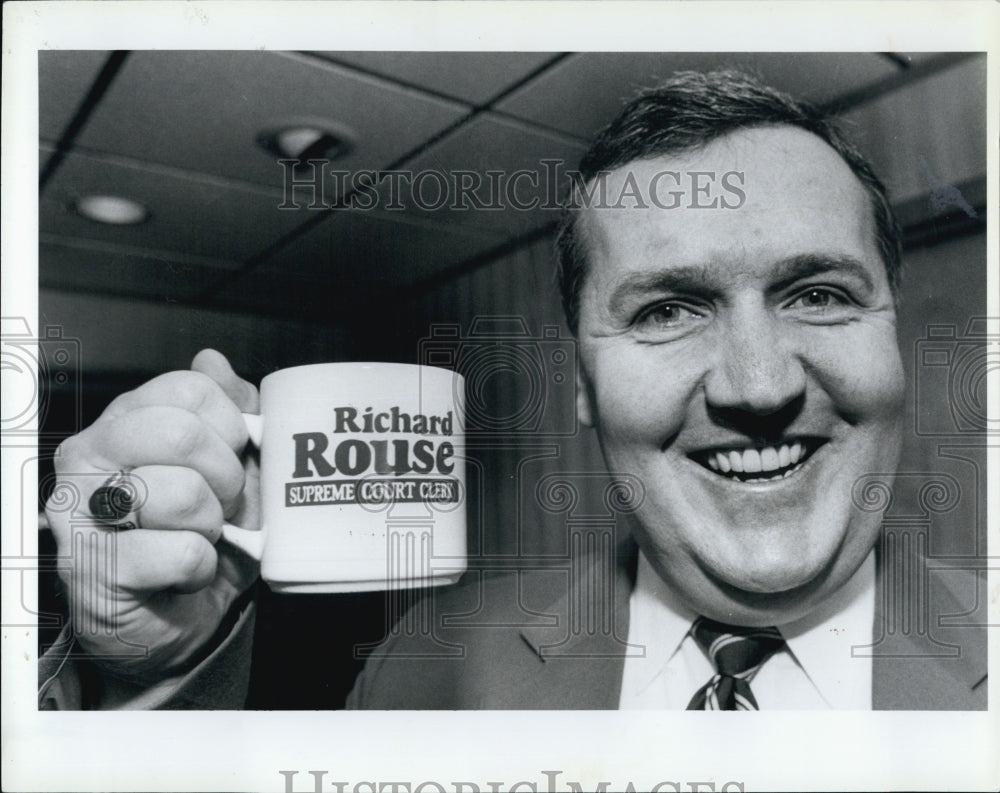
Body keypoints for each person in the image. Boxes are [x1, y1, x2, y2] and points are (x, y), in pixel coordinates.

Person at [39, 70, 986, 711]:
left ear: (893, 337)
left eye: (818, 295)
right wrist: (155, 685)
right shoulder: (427, 664)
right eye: (666, 310)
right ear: (582, 383)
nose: (759, 384)